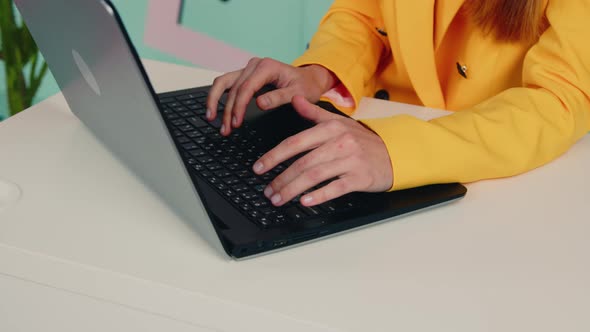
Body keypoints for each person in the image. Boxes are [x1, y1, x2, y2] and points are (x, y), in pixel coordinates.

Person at [206, 0, 590, 208]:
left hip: (496, 188)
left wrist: (396, 151)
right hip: (363, 148)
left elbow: (559, 99)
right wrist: (320, 73)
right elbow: (363, 14)